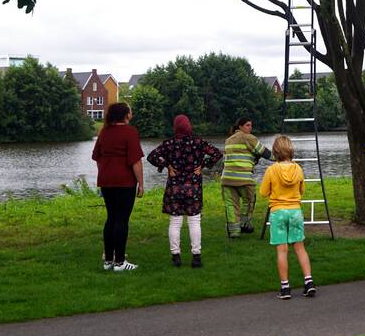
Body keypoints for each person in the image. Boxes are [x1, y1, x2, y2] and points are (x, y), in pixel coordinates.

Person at [147, 115, 223, 269]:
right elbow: (217, 153)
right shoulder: (198, 142)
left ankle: (176, 257)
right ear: (189, 126)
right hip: (193, 187)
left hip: (174, 187)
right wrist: (204, 165)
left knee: (175, 222)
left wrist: (167, 165)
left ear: (175, 127)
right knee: (194, 221)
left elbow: (151, 156)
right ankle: (196, 257)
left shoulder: (169, 144)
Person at [261, 135, 316, 299]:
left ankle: (285, 288)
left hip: (278, 212)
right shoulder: (298, 168)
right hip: (295, 211)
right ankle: (309, 282)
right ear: (290, 149)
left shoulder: (271, 170)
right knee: (300, 248)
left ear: (276, 151)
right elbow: (302, 191)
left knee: (282, 250)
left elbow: (263, 192)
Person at [92, 102, 145, 272]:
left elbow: (98, 158)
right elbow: (136, 161)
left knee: (111, 218)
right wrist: (141, 183)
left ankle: (108, 260)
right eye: (130, 111)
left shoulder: (104, 132)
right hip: (125, 182)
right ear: (126, 115)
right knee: (122, 220)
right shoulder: (130, 132)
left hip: (106, 181)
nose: (132, 113)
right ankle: (120, 262)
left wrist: (105, 173)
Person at [221, 117, 272, 238]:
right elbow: (265, 153)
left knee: (231, 205)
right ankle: (244, 224)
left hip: (227, 179)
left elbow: (226, 159)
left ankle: (234, 232)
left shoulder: (228, 140)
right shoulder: (249, 138)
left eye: (251, 125)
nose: (250, 128)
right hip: (243, 178)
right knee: (249, 201)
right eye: (248, 125)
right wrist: (282, 157)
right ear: (240, 127)